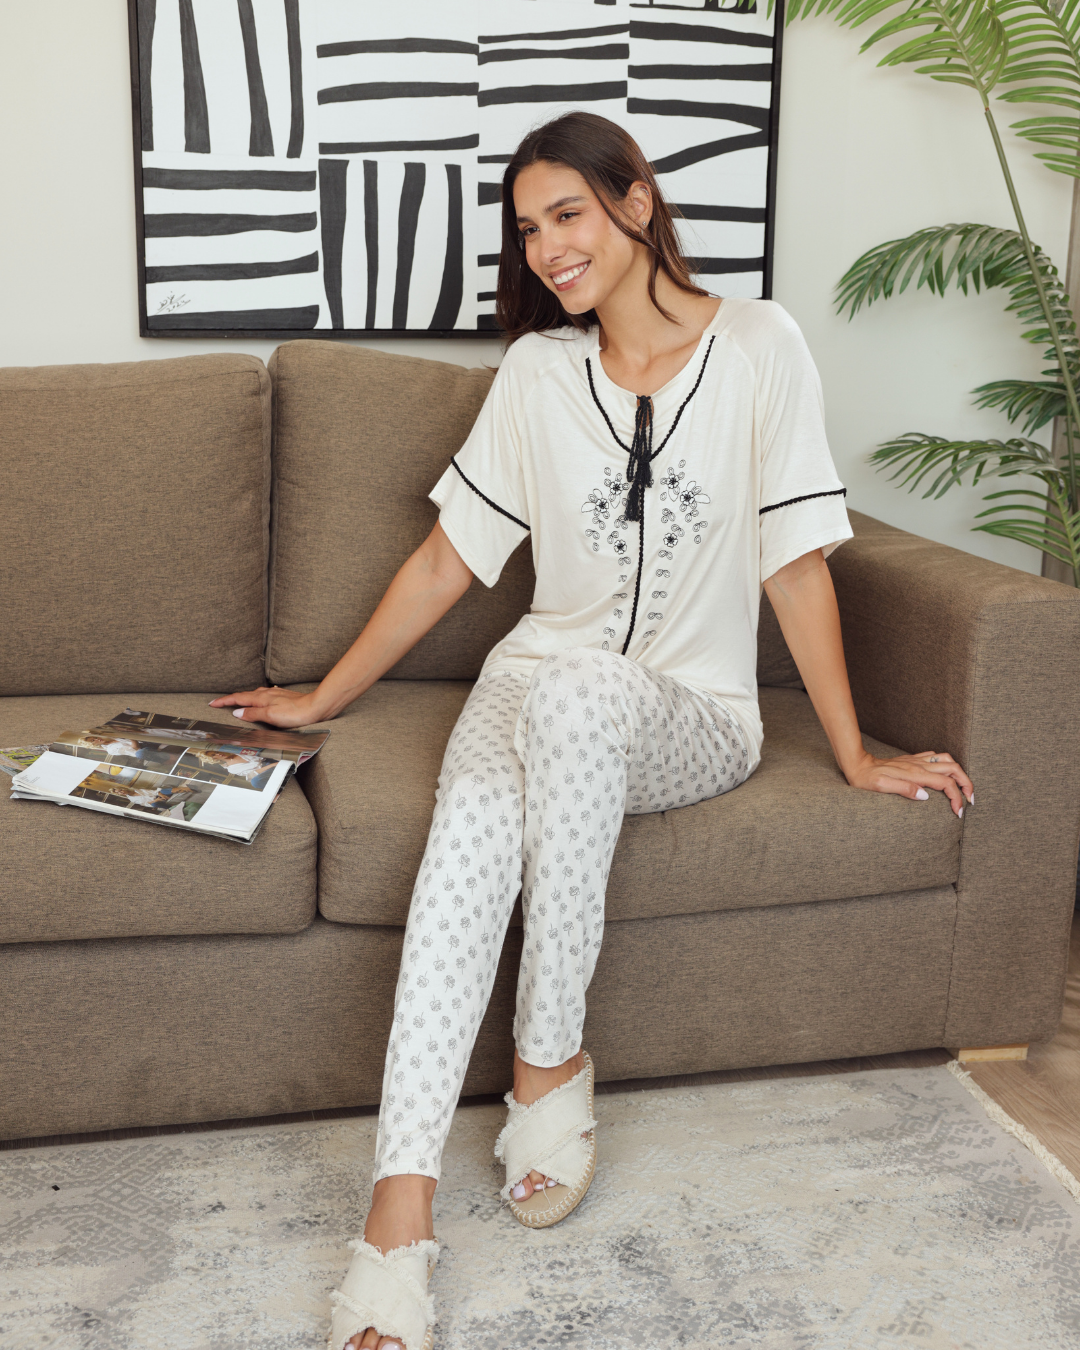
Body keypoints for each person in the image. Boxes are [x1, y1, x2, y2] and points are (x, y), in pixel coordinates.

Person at [211, 111, 974, 1350]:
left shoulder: (762, 346)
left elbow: (795, 563)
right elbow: (448, 560)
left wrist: (853, 751)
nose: (547, 247)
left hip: (693, 711)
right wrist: (321, 696)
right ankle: (398, 1213)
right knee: (469, 829)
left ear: (636, 201)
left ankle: (549, 1060)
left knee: (572, 692)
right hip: (529, 685)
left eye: (566, 213)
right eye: (527, 229)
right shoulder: (537, 375)